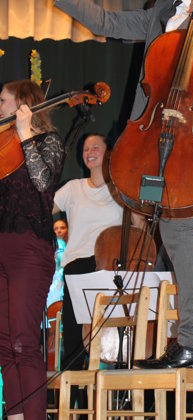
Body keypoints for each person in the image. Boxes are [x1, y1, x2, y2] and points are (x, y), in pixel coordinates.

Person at [54, 0, 193, 370]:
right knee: (165, 229)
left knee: (178, 232)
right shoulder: (163, 11)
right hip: (154, 141)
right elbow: (105, 21)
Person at [0, 79, 64, 419]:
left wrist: (25, 134)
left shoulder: (47, 141)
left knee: (23, 341)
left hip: (29, 249)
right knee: (4, 345)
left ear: (23, 104)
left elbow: (41, 182)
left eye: (3, 101)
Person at [52, 133, 130, 410]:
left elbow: (138, 225)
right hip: (77, 268)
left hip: (110, 269)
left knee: (109, 343)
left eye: (96, 146)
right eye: (86, 148)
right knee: (74, 343)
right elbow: (43, 209)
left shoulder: (120, 189)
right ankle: (72, 408)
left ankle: (107, 407)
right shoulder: (73, 188)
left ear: (108, 152)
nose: (90, 151)